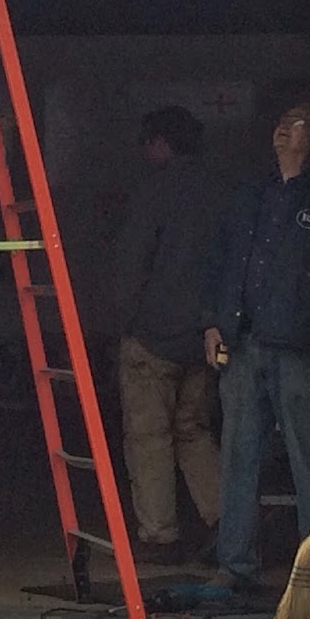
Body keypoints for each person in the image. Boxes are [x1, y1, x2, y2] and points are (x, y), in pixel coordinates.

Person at [204, 102, 310, 592]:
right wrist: (212, 323)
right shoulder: (251, 192)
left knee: (308, 458)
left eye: (297, 122)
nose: (284, 128)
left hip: (301, 346)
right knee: (238, 454)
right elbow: (221, 259)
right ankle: (234, 564)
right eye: (281, 121)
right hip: (243, 343)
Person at [106, 107, 223, 566]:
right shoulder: (222, 191)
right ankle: (227, 522)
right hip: (203, 336)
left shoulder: (152, 191)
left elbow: (131, 264)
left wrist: (120, 322)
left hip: (152, 336)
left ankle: (159, 534)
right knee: (193, 430)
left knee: (148, 436)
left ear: (159, 144)